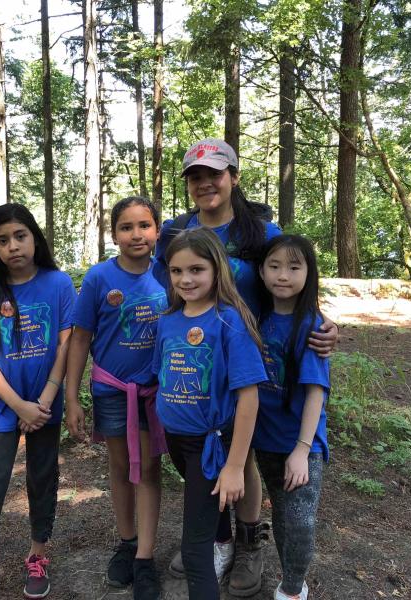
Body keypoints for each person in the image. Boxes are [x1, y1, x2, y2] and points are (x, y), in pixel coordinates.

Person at [155, 138, 337, 596]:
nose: (205, 182)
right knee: (208, 454)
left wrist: (322, 325)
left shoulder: (261, 232)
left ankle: (248, 540)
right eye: (195, 176)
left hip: (252, 363)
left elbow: (294, 274)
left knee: (244, 454)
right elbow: (170, 291)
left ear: (233, 177)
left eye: (215, 173)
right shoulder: (176, 233)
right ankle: (216, 539)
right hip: (199, 367)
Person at [0, 203, 76, 600]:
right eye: (2, 240)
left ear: (34, 238)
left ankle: (38, 554)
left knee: (43, 479)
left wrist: (44, 400)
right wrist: (19, 405)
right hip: (3, 409)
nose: (13, 247)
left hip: (46, 406)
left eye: (20, 236)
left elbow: (66, 343)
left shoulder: (58, 284)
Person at [152, 227, 268, 599]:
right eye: (176, 271)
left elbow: (249, 399)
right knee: (206, 508)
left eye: (196, 270)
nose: (186, 279)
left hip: (211, 444)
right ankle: (224, 539)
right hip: (176, 439)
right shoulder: (168, 319)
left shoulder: (229, 321)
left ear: (216, 269)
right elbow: (161, 374)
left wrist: (234, 466)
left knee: (194, 550)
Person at [65, 197, 168, 600]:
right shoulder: (98, 278)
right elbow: (80, 338)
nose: (136, 234)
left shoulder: (168, 273)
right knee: (123, 465)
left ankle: (145, 557)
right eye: (126, 227)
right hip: (111, 389)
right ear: (114, 235)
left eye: (145, 225)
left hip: (157, 391)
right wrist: (72, 397)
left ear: (158, 230)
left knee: (149, 468)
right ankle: (126, 542)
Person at [253, 235, 331, 600]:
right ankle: (291, 581)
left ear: (308, 273)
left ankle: (291, 591)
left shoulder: (312, 326)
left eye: (294, 267)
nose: (283, 275)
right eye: (274, 266)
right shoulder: (257, 319)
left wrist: (302, 449)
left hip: (302, 446)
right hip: (265, 442)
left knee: (300, 522)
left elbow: (316, 391)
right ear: (261, 271)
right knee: (283, 518)